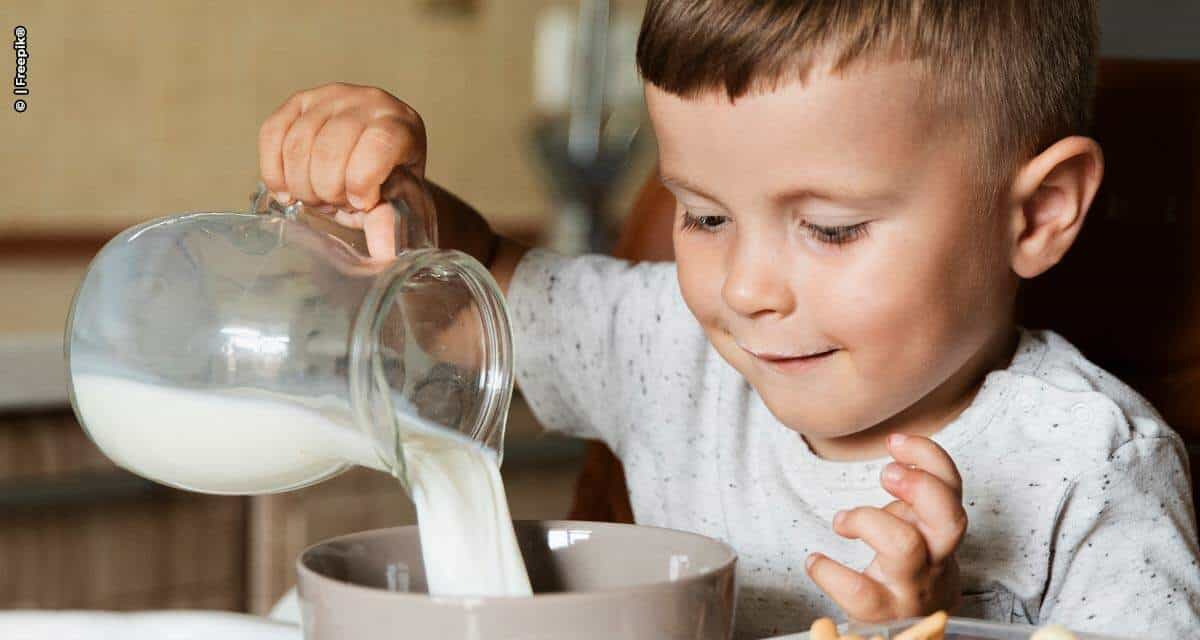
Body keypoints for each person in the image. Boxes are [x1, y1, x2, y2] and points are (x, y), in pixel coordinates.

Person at [256, 1, 1200, 636]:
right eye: (703, 216)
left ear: (1035, 213)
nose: (745, 287)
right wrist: (387, 198)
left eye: (830, 229)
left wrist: (937, 626)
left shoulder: (1093, 460)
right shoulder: (667, 347)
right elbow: (471, 299)